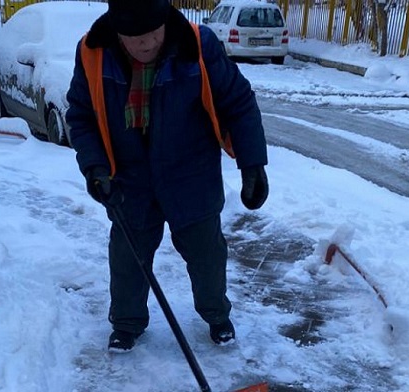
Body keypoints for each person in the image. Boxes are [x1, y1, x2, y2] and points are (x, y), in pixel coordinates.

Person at [66, 0, 269, 353]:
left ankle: (217, 316)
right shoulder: (93, 53)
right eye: (135, 39)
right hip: (129, 178)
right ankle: (127, 324)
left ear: (165, 23)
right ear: (117, 33)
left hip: (191, 172)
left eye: (153, 36)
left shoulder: (198, 46)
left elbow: (238, 102)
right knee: (128, 257)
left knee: (206, 254)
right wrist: (95, 166)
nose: (146, 45)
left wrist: (252, 164)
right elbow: (81, 116)